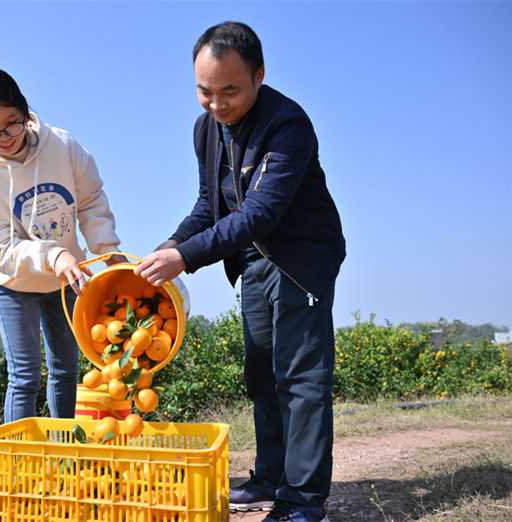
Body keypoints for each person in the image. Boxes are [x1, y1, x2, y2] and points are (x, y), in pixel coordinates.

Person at [134, 22, 345, 522]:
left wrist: (185, 258)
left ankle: (303, 500)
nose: (216, 103)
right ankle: (271, 477)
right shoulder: (206, 128)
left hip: (299, 260)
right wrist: (171, 243)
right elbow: (211, 204)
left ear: (259, 75)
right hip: (251, 261)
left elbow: (259, 213)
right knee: (261, 375)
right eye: (204, 91)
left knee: (301, 378)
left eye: (229, 90)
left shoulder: (288, 125)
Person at [0, 66, 125, 423]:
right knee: (25, 376)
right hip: (14, 283)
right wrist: (54, 254)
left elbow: (91, 198)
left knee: (66, 368)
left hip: (67, 278)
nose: (4, 137)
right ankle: (17, 468)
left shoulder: (60, 145)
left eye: (12, 123)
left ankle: (64, 454)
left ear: (26, 111)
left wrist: (107, 252)